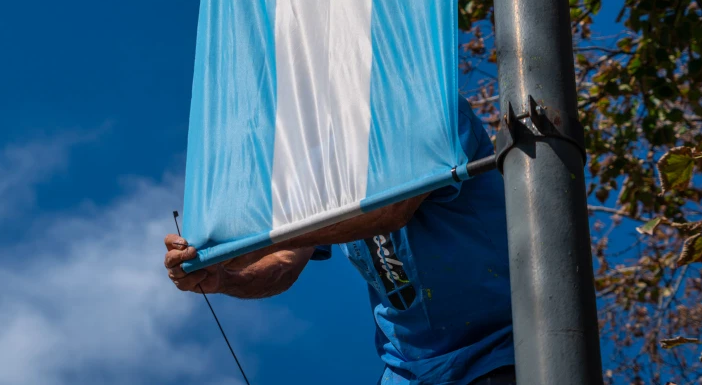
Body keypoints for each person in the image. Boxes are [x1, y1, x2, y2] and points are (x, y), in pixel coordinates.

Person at [163, 97, 515, 385]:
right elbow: (284, 264)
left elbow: (391, 211)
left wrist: (257, 243)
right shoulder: (320, 169)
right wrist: (225, 278)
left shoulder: (427, 106)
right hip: (408, 372)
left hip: (498, 350)